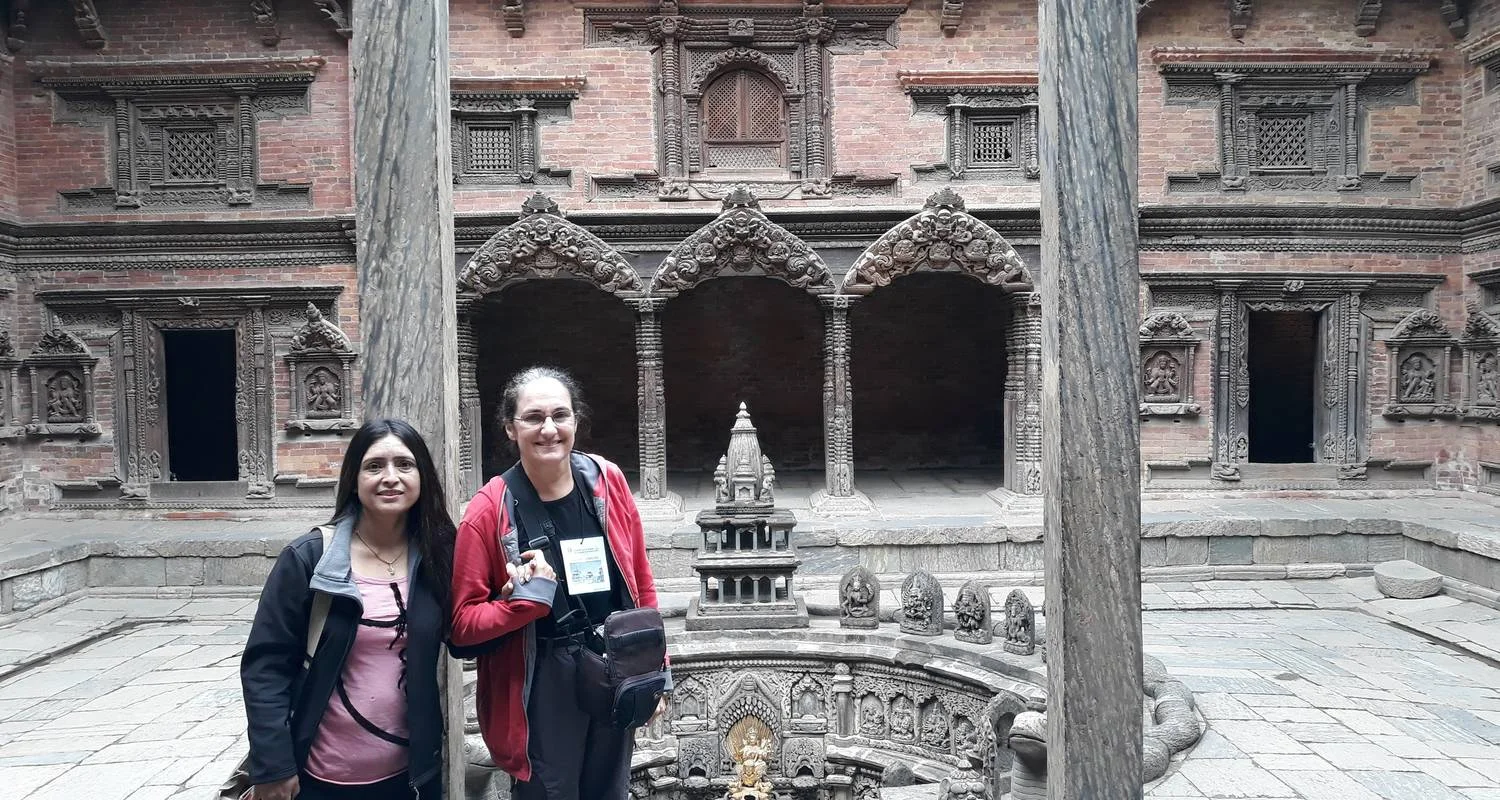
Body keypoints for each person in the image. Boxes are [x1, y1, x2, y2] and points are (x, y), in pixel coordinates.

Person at [450, 366, 669, 800]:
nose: (548, 429)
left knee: (610, 789)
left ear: (575, 420)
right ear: (510, 428)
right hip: (540, 678)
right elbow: (461, 627)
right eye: (533, 417)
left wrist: (655, 669)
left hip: (612, 660)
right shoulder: (489, 511)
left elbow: (640, 582)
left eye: (560, 415)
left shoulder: (606, 482)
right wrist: (522, 604)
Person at [241, 419, 456, 800]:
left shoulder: (437, 557)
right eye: (374, 466)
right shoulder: (309, 559)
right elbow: (265, 667)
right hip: (321, 778)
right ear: (353, 480)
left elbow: (467, 634)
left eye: (404, 465)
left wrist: (513, 590)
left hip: (412, 777)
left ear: (422, 476)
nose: (390, 477)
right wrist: (274, 766)